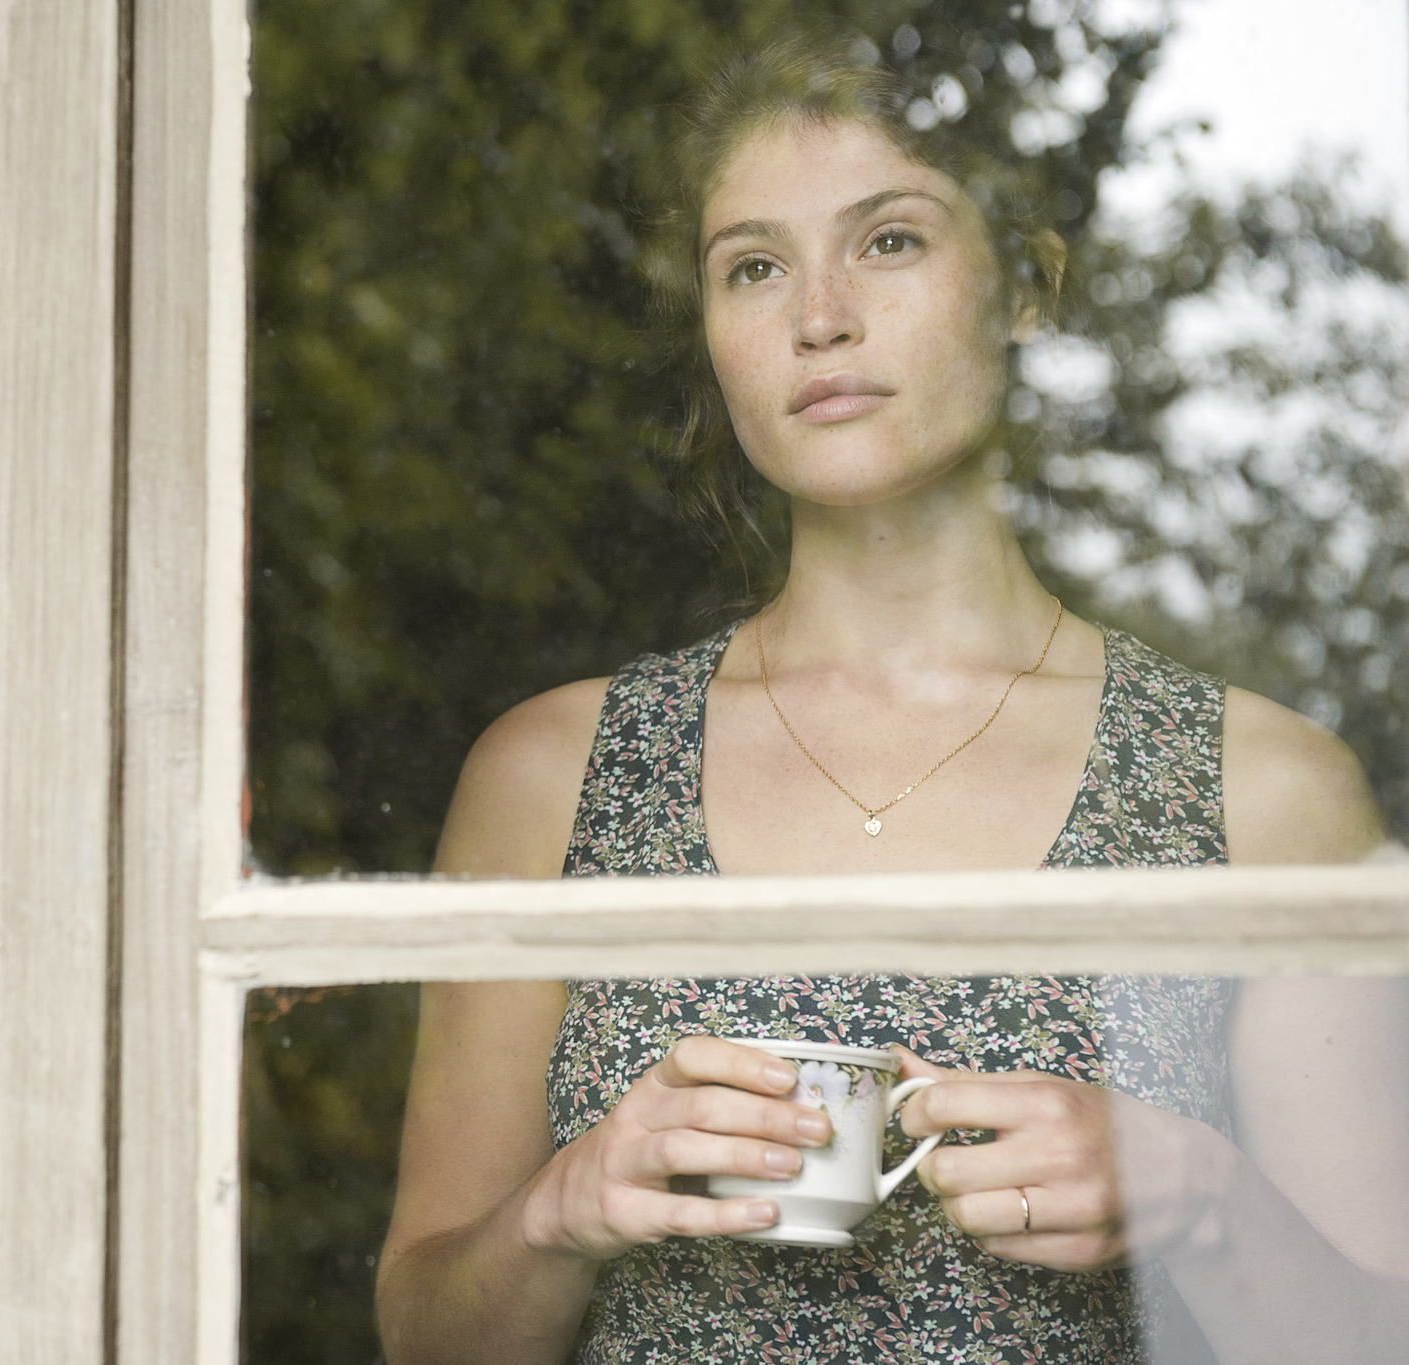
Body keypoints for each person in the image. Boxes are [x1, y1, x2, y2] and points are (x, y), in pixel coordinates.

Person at [373, 33, 1408, 1365]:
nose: (820, 317)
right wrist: (562, 1208)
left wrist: (1201, 1202)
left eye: (891, 240)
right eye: (753, 265)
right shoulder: (552, 775)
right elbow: (426, 1336)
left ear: (1026, 284)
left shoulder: (1263, 790)